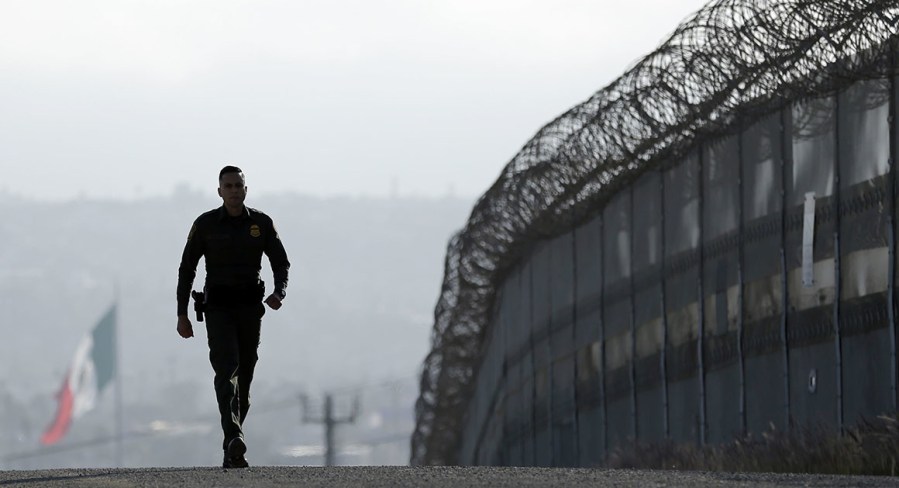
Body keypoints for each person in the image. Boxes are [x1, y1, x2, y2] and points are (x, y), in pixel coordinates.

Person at [176, 165, 290, 468]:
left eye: (238, 185)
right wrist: (182, 314)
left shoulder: (261, 224)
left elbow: (281, 262)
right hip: (219, 309)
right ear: (219, 191)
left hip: (250, 309)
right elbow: (187, 269)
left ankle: (231, 447)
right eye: (228, 186)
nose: (234, 191)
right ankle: (235, 437)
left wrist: (279, 292)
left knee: (245, 382)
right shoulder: (206, 225)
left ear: (246, 189)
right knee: (227, 372)